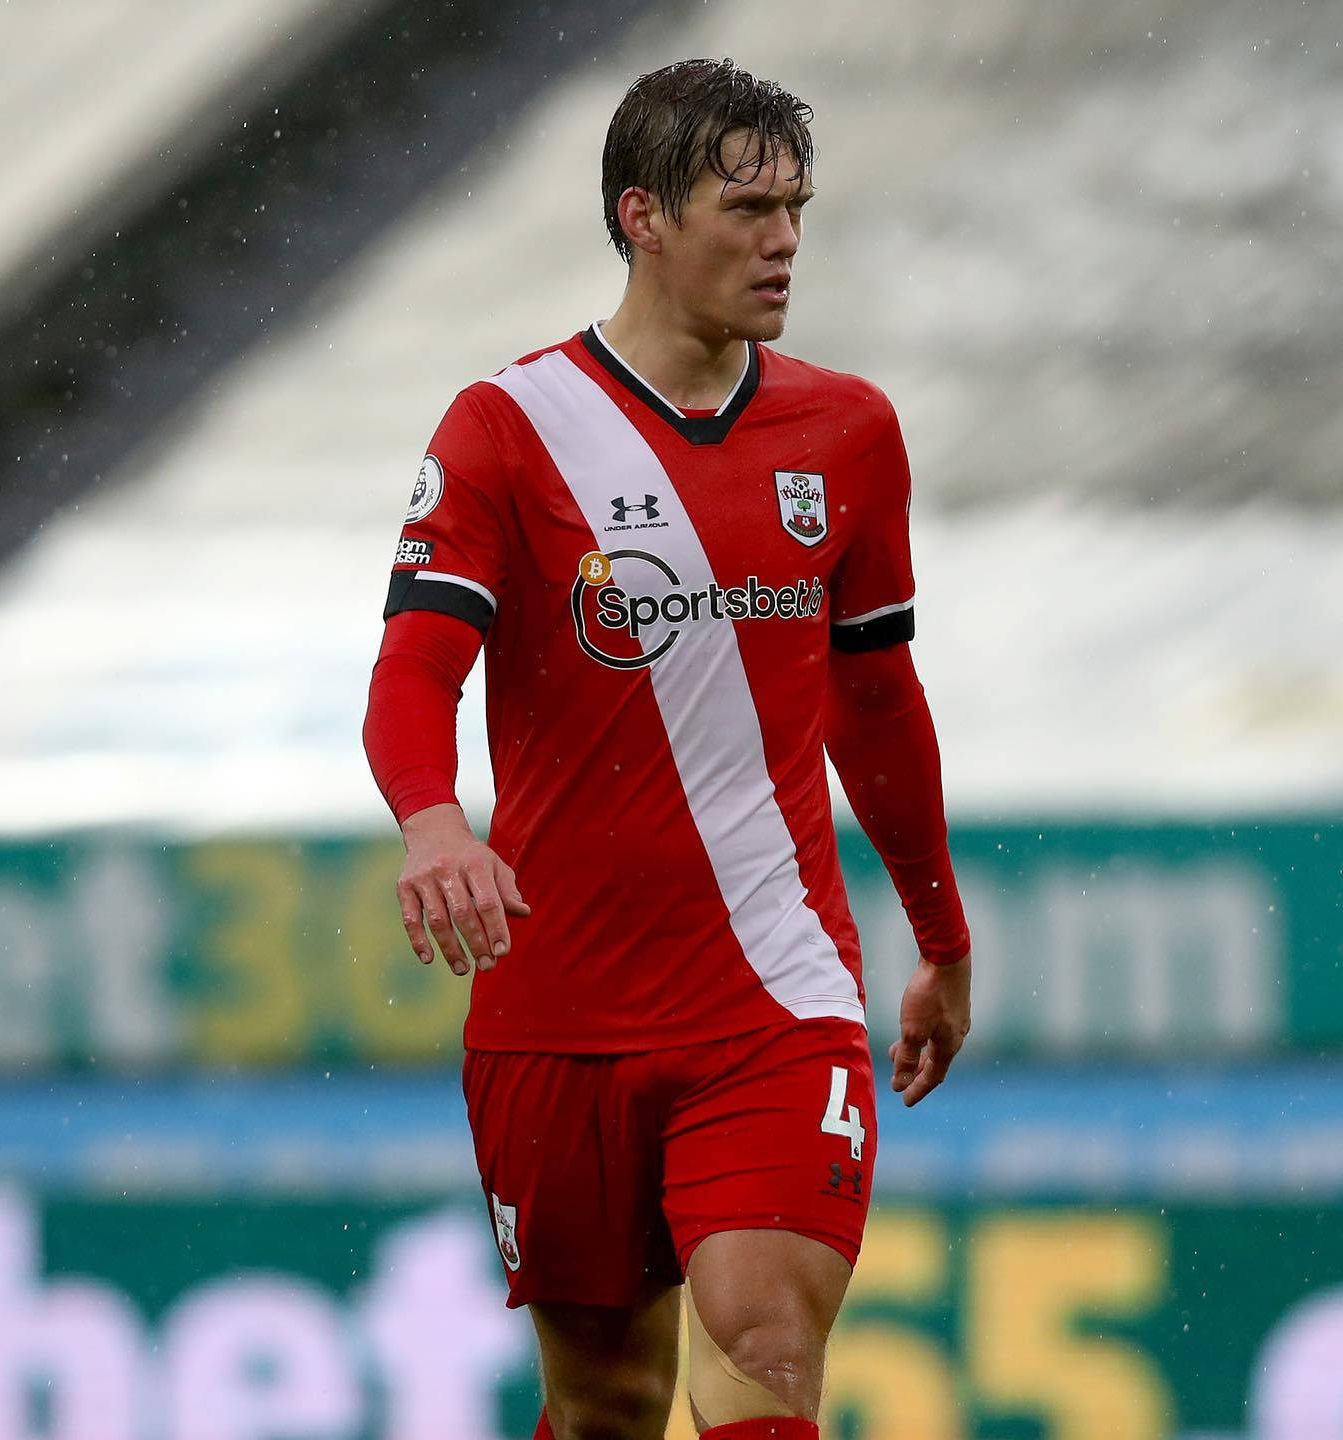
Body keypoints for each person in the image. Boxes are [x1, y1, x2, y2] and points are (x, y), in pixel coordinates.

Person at [363, 57, 972, 1440]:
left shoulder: (849, 433)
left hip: (774, 994)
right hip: (559, 1010)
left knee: (761, 1342)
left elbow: (878, 704)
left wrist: (938, 931)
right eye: (747, 208)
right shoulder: (509, 432)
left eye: (798, 209)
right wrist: (431, 820)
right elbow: (414, 666)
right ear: (642, 216)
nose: (784, 243)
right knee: (608, 1402)